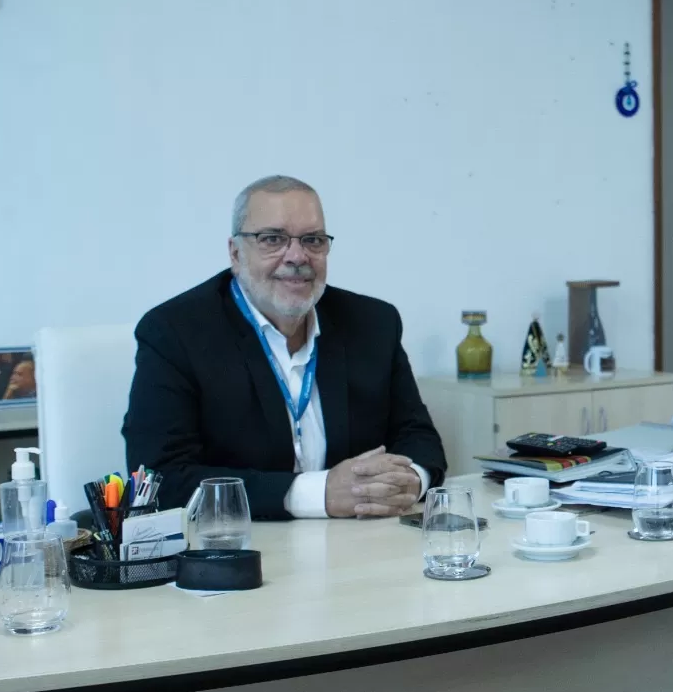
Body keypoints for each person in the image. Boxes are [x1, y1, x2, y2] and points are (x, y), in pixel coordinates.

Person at [123, 175, 446, 520]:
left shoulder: (373, 323)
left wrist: (409, 481)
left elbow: (418, 437)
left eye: (313, 240)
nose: (297, 256)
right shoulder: (174, 333)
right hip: (243, 543)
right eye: (273, 239)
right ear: (235, 253)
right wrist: (317, 494)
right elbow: (161, 478)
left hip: (358, 537)